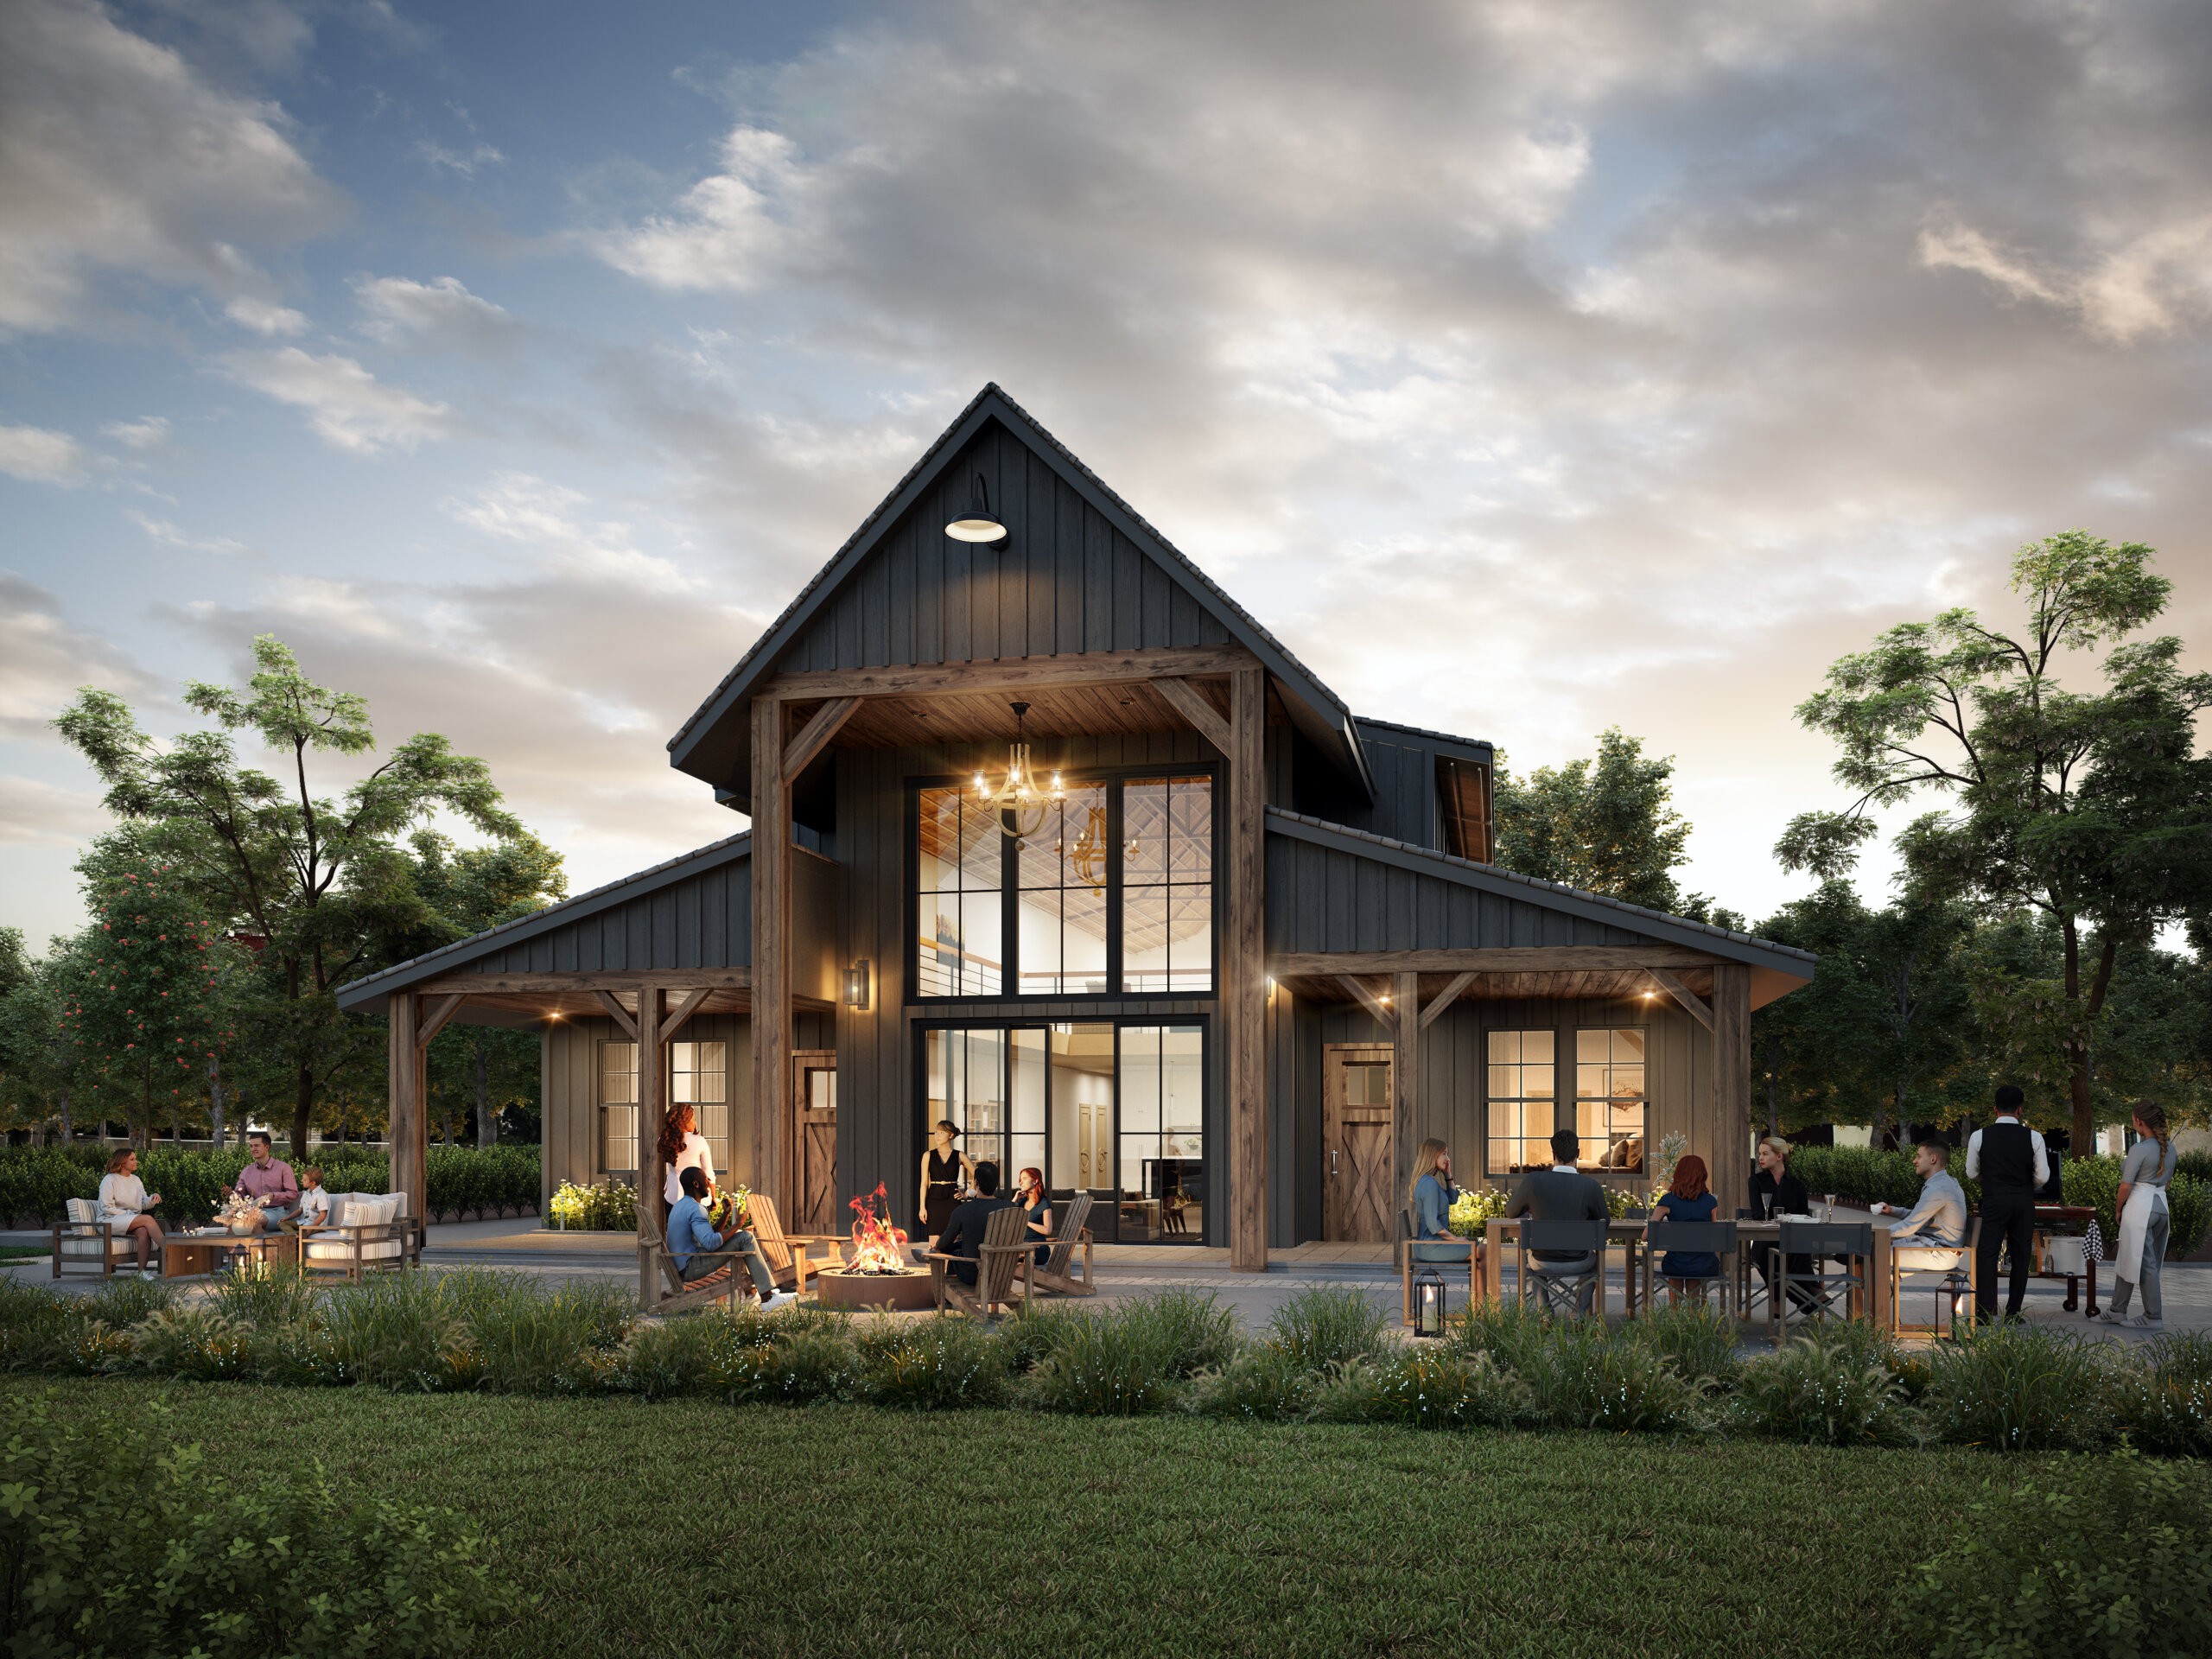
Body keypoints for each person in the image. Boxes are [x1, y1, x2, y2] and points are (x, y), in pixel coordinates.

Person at [1965, 1084, 2048, 1320]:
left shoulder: (1979, 1136)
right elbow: (2042, 1176)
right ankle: (2013, 1313)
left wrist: (1992, 1181)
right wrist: (2024, 1186)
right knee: (2021, 1255)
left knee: (1987, 1254)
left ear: (1995, 1109)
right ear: (2020, 1110)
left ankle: (1984, 1312)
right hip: (2023, 1200)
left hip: (1993, 1199)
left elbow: (1971, 1172)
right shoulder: (2034, 1137)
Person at [1505, 1129, 1609, 1313]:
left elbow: (1511, 1212)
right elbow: (1604, 1222)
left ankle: (1545, 1313)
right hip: (1580, 1261)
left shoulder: (1533, 1181)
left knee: (1529, 1263)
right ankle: (1578, 1315)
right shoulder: (1591, 1186)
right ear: (1578, 1154)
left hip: (1541, 1261)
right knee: (1595, 1264)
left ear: (1553, 1154)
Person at [2098, 1101, 2177, 1332]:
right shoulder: (2170, 1149)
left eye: (2132, 1119)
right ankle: (2117, 1310)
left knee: (2146, 1263)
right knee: (2129, 1255)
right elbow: (2167, 1183)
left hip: (2140, 1207)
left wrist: (2118, 1209)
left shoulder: (2139, 1150)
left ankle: (2153, 1316)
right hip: (2161, 1206)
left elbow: (2125, 1186)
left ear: (2139, 1122)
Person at [668, 1166, 792, 1309]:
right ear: (696, 1184)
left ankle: (753, 1293)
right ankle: (767, 1298)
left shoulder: (680, 1206)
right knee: (746, 1237)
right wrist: (737, 1224)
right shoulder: (696, 1208)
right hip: (691, 1267)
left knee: (739, 1236)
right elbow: (710, 1242)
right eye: (706, 1179)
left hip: (684, 1263)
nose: (709, 1182)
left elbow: (708, 1234)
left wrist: (725, 1215)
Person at [1870, 1139, 1967, 1273]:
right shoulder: (1945, 1183)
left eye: (1919, 1156)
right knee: (1873, 1249)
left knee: (1874, 1253)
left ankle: (1872, 1293)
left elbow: (1910, 1226)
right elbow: (1919, 1217)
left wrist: (1874, 1234)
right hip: (1933, 1247)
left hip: (1939, 1254)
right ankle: (1877, 1292)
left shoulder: (1938, 1188)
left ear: (1933, 1159)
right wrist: (1892, 1210)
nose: (1914, 1161)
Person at [1747, 1136, 1813, 1313]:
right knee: (1763, 1255)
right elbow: (1757, 1213)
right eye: (1759, 1153)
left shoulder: (1797, 1185)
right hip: (1766, 1237)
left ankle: (1788, 1299)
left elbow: (1804, 1215)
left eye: (1765, 1154)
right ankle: (1809, 1296)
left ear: (1779, 1156)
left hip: (1792, 1238)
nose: (1760, 1157)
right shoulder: (1756, 1181)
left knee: (1799, 1253)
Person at [1406, 1137, 1482, 1280]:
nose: (1447, 1158)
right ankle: (1483, 1300)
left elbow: (1452, 1199)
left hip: (1432, 1245)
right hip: (1431, 1247)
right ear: (1431, 1155)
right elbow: (1432, 1224)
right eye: (1443, 1154)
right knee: (1485, 1251)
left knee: (1480, 1248)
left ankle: (1479, 1299)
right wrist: (1455, 1239)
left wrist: (1448, 1174)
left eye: (1447, 1154)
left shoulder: (1427, 1181)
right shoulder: (1429, 1184)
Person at [1649, 1153, 1719, 1303]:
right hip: (1704, 1264)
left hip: (1676, 1264)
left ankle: (1674, 1314)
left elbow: (1646, 1236)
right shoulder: (1710, 1202)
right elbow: (1715, 1235)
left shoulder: (1667, 1200)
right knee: (1695, 1263)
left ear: (1678, 1174)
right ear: (1703, 1175)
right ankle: (1693, 1314)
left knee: (1679, 1261)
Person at [932, 1161, 1014, 1287]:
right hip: (1002, 1272)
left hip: (973, 1273)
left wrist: (937, 1246)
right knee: (956, 1247)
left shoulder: (964, 1210)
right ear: (996, 1183)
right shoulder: (1010, 1208)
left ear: (976, 1183)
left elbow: (945, 1240)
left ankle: (946, 1296)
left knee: (952, 1253)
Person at [96, 1147, 164, 1279]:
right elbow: (106, 1207)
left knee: (144, 1231)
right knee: (148, 1219)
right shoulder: (109, 1180)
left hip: (129, 1220)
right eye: (132, 1159)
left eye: (135, 1158)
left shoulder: (136, 1180)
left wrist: (152, 1199)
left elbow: (143, 1203)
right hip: (108, 1220)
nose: (136, 1162)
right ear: (122, 1163)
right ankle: (170, 1250)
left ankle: (141, 1273)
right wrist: (129, 1215)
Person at [917, 1120, 975, 1242]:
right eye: (936, 1132)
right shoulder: (928, 1155)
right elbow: (924, 1183)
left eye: (942, 1133)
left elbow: (978, 1175)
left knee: (951, 1243)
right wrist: (922, 1207)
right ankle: (933, 1262)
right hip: (933, 1202)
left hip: (952, 1202)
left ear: (951, 1135)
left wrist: (966, 1194)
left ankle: (951, 1262)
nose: (937, 1136)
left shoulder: (959, 1155)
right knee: (933, 1245)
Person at [230, 1132, 299, 1232]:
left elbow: (293, 1194)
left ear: (267, 1147)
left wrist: (273, 1195)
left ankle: (260, 1248)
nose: (253, 1149)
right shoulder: (246, 1171)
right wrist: (231, 1194)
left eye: (257, 1145)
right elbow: (239, 1194)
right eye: (251, 1146)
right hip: (253, 1210)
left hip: (278, 1212)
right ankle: (234, 1249)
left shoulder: (283, 1168)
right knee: (231, 1222)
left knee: (253, 1221)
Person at [658, 1103, 715, 1214]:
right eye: (692, 1119)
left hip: (672, 1197)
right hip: (697, 1198)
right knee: (698, 1230)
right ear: (683, 1122)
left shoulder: (664, 1140)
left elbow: (672, 1170)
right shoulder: (700, 1141)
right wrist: (714, 1196)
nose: (695, 1122)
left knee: (675, 1230)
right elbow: (708, 1172)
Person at [1014, 1166, 1052, 1266]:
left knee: (1006, 1255)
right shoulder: (1022, 1202)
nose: (1021, 1182)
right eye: (1020, 1179)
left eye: (1025, 1178)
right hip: (1022, 1248)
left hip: (1038, 1250)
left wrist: (1026, 1222)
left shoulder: (1043, 1203)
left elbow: (1048, 1230)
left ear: (1035, 1181)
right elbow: (1006, 1216)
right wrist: (1014, 1200)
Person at [294, 1166, 330, 1230]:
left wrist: (310, 1229)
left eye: (304, 1180)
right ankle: (296, 1236)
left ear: (313, 1183)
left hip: (317, 1226)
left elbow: (323, 1215)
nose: (302, 1181)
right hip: (305, 1223)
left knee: (303, 1232)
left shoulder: (321, 1195)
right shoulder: (306, 1193)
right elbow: (300, 1210)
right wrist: (286, 1218)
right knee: (283, 1224)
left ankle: (299, 1235)